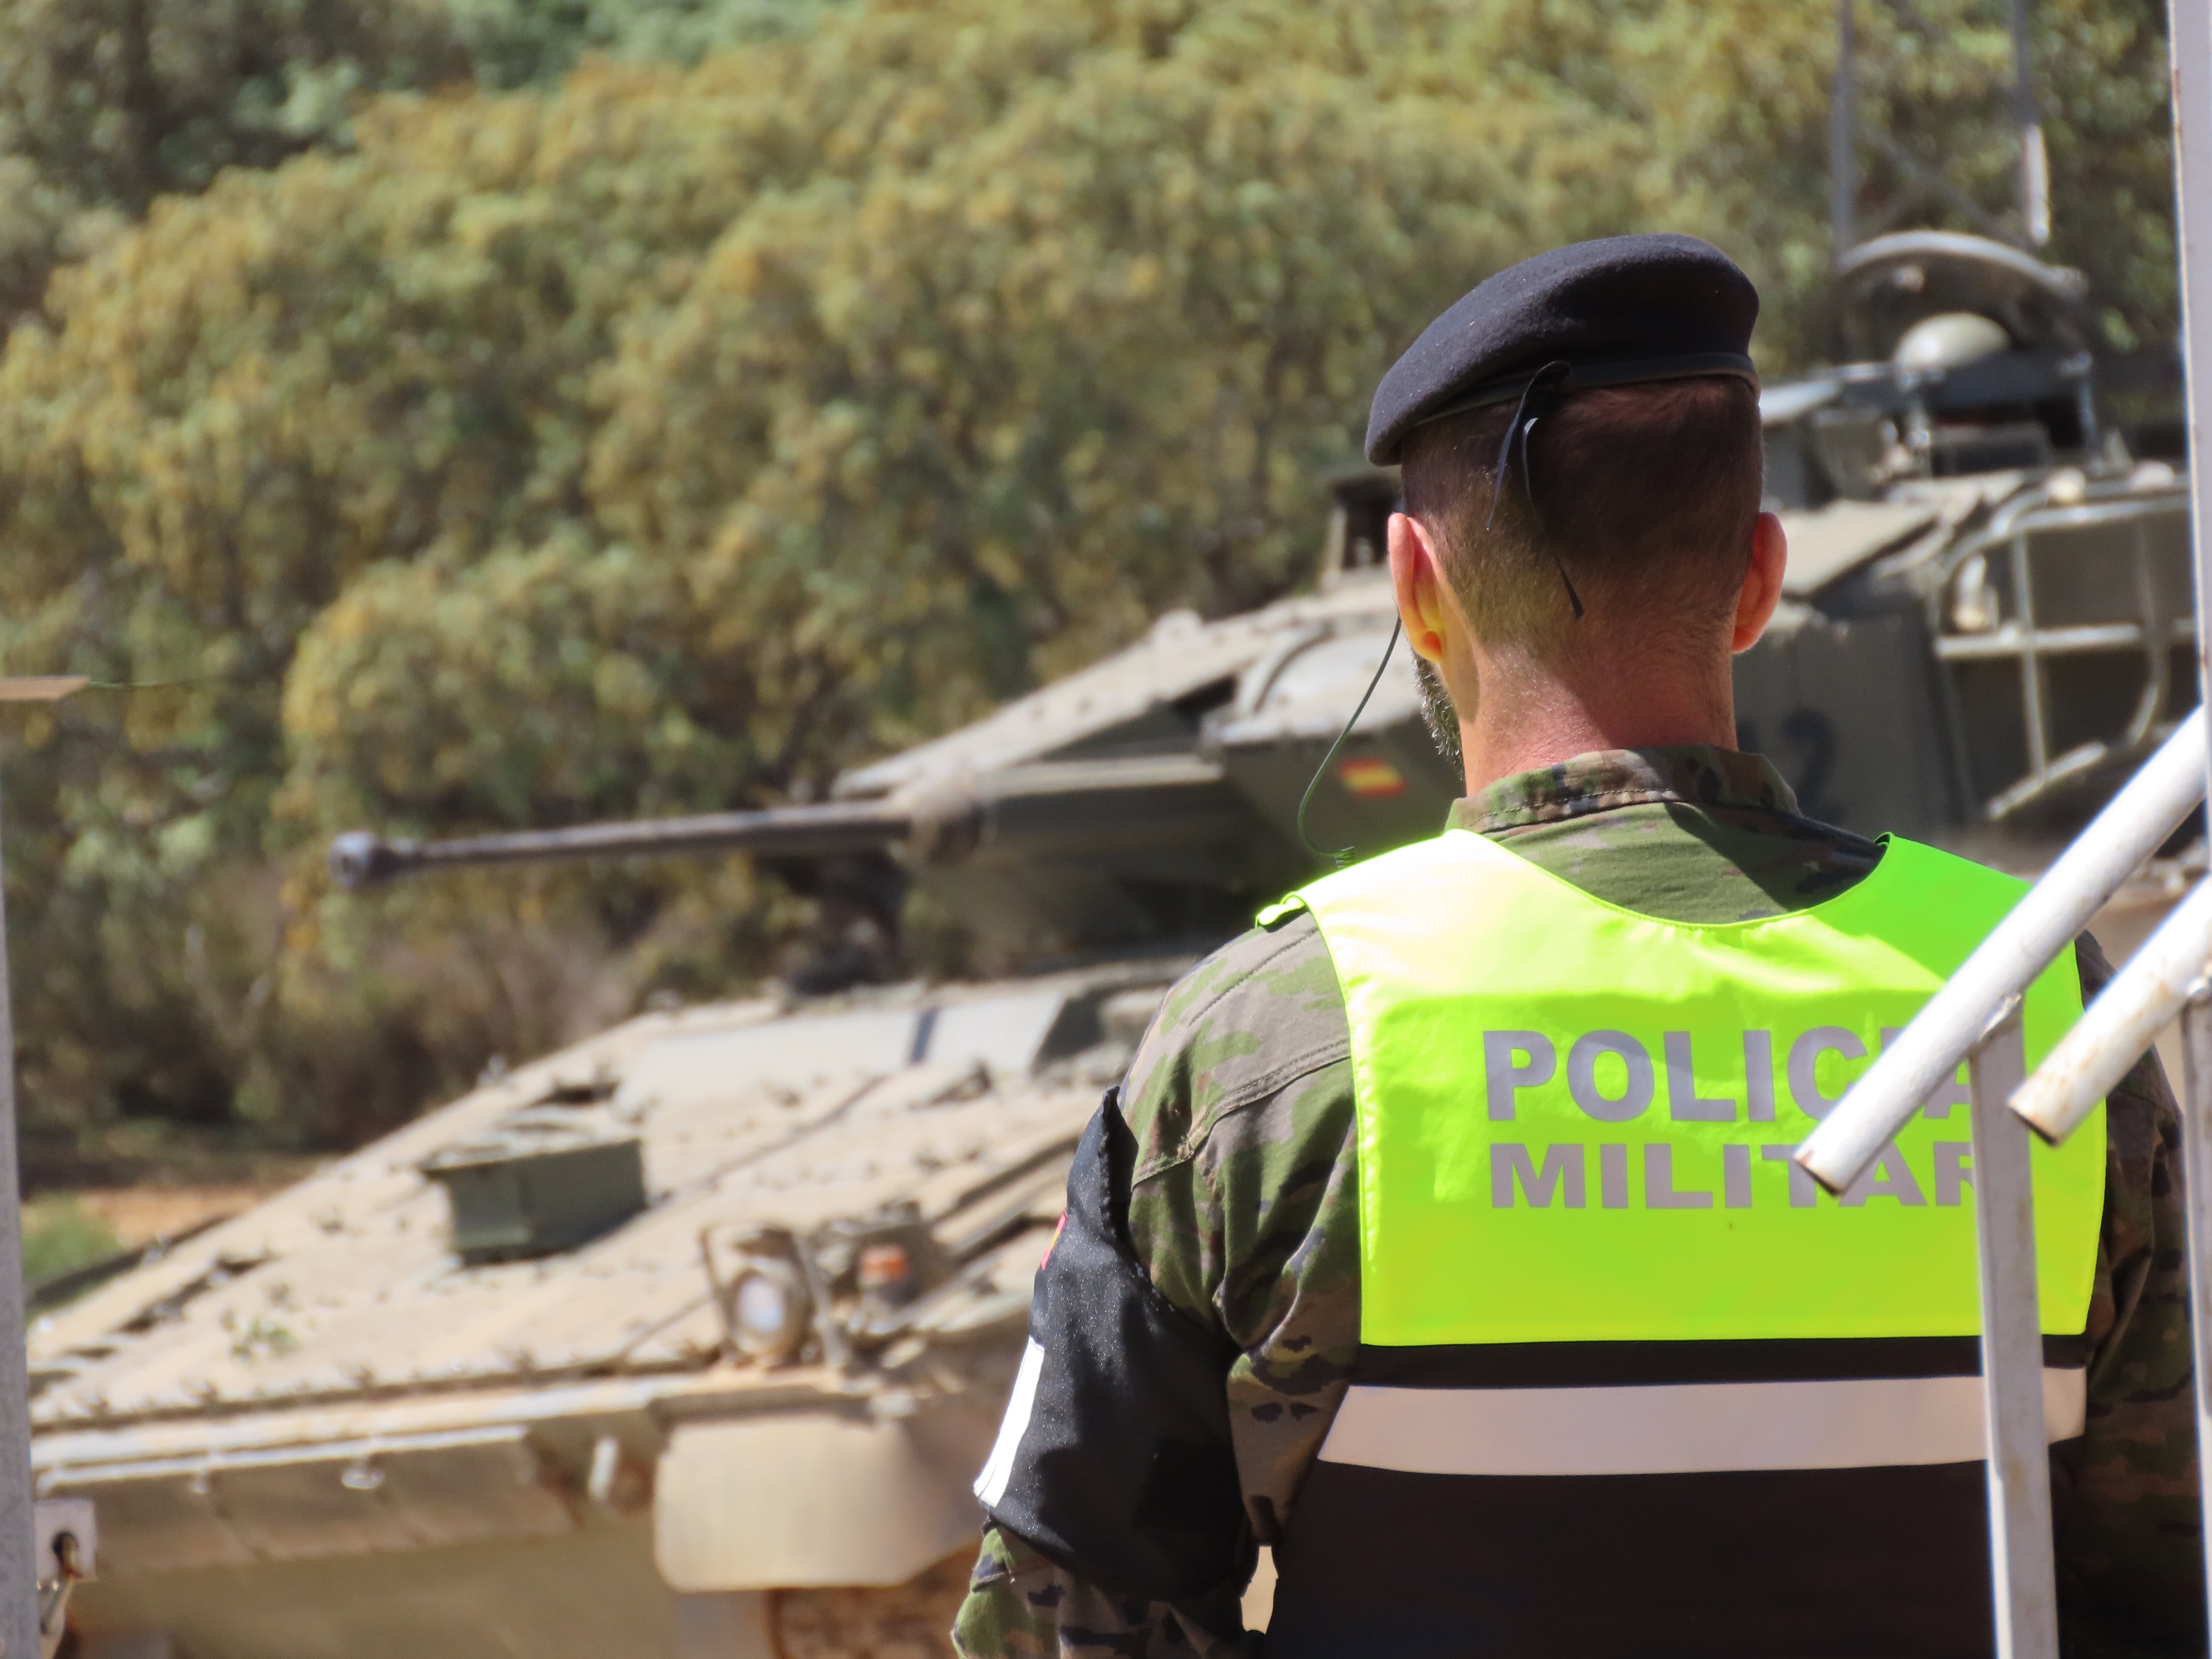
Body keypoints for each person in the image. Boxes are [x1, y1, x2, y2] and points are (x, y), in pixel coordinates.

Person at [950, 235, 2200, 1659]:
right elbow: (2165, 1574)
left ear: (1416, 584)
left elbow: (1068, 1619)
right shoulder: (2036, 1000)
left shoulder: (1280, 1040)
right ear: (1759, 577)